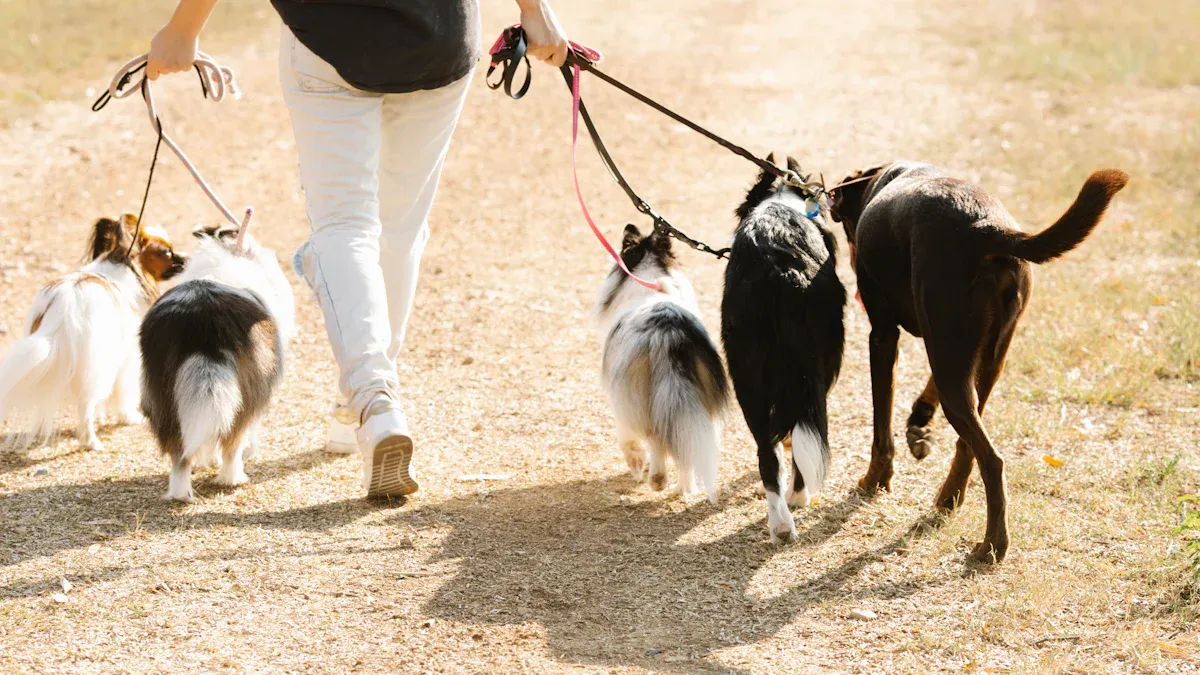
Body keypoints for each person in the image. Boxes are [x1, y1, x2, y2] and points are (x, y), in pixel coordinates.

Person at [147, 0, 569, 498]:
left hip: (330, 37)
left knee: (345, 227)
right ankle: (365, 405)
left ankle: (374, 401)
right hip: (438, 36)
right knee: (400, 230)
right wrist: (535, 10)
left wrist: (184, 29)